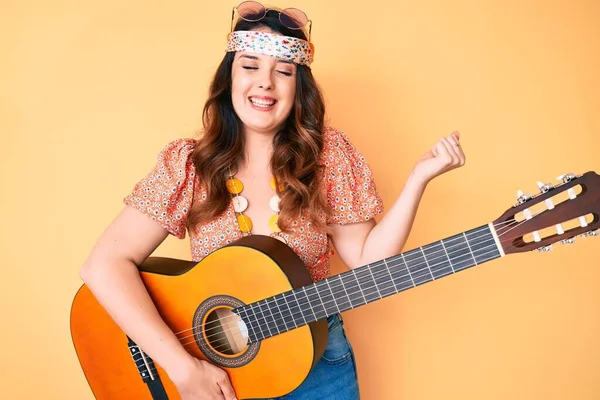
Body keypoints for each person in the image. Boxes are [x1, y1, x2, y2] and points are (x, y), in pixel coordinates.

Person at [79, 2, 466, 399]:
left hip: (318, 366)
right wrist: (184, 368)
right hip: (218, 376)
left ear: (298, 88)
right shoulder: (190, 165)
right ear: (228, 78)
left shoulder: (328, 158)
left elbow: (370, 264)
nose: (265, 83)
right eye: (250, 65)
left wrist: (418, 179)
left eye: (283, 71)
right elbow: (103, 265)